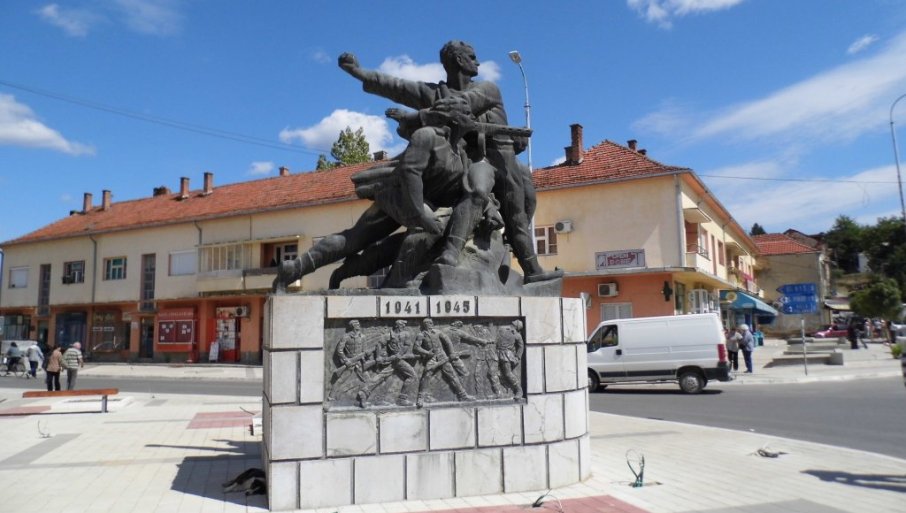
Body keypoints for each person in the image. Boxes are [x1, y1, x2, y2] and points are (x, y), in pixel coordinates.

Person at [273, 40, 560, 292]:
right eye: (472, 57)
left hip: (473, 166)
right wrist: (359, 73)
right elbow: (397, 86)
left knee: (519, 199)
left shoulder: (486, 89)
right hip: (440, 178)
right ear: (459, 60)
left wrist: (416, 117)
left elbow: (462, 104)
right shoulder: (436, 106)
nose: (478, 62)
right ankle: (296, 268)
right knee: (357, 237)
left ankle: (527, 266)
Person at [414, 318, 474, 405]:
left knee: (452, 376)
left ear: (432, 324)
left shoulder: (438, 332)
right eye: (426, 323)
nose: (429, 324)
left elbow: (447, 342)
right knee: (426, 376)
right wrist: (427, 353)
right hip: (431, 358)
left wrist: (451, 353)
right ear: (424, 324)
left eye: (430, 323)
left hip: (442, 356)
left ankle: (463, 395)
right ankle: (421, 398)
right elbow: (416, 347)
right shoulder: (421, 335)